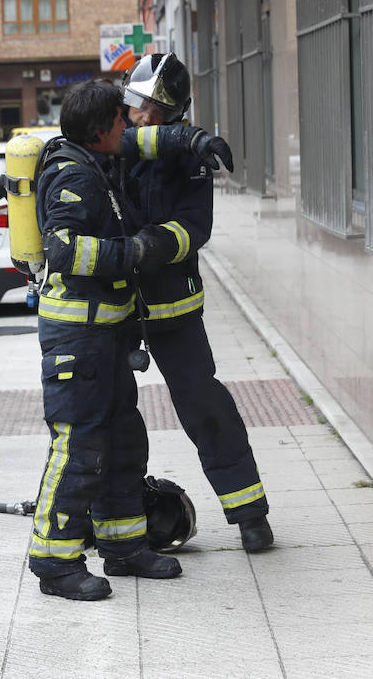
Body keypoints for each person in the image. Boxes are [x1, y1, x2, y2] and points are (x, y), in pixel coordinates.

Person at [25, 79, 232, 600]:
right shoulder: (74, 176)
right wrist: (134, 252)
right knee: (78, 448)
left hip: (109, 333)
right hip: (79, 337)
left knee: (122, 442)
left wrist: (195, 140)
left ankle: (124, 548)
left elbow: (153, 141)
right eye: (122, 120)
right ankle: (55, 565)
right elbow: (65, 249)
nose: (131, 128)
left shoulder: (98, 157)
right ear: (101, 131)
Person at [120, 53, 274, 552]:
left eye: (150, 108)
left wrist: (150, 247)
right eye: (134, 104)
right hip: (112, 305)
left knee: (204, 405)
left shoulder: (191, 158)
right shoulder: (114, 140)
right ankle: (112, 519)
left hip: (171, 308)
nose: (138, 116)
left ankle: (249, 512)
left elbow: (194, 228)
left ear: (173, 111)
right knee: (104, 414)